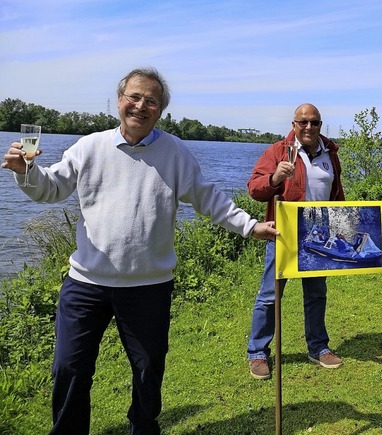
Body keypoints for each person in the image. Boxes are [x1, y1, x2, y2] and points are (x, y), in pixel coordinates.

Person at [1, 67, 278, 435]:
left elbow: (207, 198)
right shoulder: (89, 146)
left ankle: (144, 429)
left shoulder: (175, 152)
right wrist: (26, 172)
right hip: (86, 283)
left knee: (148, 369)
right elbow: (49, 188)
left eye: (151, 100)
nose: (140, 105)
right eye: (134, 96)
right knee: (69, 367)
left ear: (160, 110)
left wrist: (250, 226)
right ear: (119, 101)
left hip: (149, 287)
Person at [246, 103, 345, 380]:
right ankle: (257, 353)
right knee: (270, 295)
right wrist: (276, 177)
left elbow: (336, 194)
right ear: (293, 125)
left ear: (320, 125)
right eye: (303, 122)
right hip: (283, 235)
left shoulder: (330, 153)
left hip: (320, 237)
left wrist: (342, 225)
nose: (309, 127)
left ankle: (318, 347)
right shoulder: (278, 151)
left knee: (316, 294)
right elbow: (254, 189)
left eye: (314, 122)